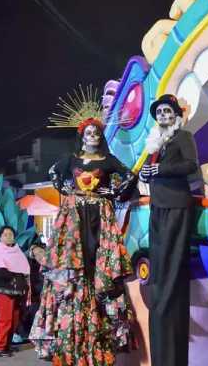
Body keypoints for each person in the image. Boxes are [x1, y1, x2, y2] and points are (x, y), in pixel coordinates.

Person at [29, 116, 136, 366]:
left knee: (98, 268)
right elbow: (54, 172)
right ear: (82, 136)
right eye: (88, 133)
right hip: (75, 216)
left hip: (99, 217)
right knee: (73, 271)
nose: (92, 136)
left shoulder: (107, 160)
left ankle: (98, 335)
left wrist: (112, 193)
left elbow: (129, 176)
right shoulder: (72, 159)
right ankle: (73, 337)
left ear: (100, 136)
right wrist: (67, 191)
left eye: (96, 133)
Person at [139, 94, 201, 366]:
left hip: (176, 206)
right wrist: (143, 173)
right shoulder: (156, 142)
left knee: (173, 269)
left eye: (167, 111)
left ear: (176, 115)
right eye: (159, 112)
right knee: (160, 269)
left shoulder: (183, 137)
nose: (163, 115)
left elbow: (190, 165)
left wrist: (159, 169)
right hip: (158, 207)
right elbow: (150, 169)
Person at [0, 226, 29, 358]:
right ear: (0, 237)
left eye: (10, 234)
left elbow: (25, 269)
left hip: (17, 290)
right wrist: (17, 276)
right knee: (5, 319)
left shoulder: (17, 251)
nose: (8, 236)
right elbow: (0, 271)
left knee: (14, 319)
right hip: (3, 290)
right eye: (5, 234)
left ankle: (7, 344)